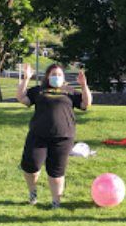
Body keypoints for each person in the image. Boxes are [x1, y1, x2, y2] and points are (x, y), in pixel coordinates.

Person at [17, 63, 92, 209]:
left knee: (56, 171)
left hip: (63, 137)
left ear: (63, 77)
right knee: (30, 166)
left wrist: (84, 86)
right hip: (38, 135)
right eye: (53, 74)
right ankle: (33, 193)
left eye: (59, 74)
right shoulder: (39, 90)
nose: (56, 77)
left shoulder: (70, 92)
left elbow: (86, 104)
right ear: (47, 76)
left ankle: (55, 203)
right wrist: (26, 79)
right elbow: (22, 98)